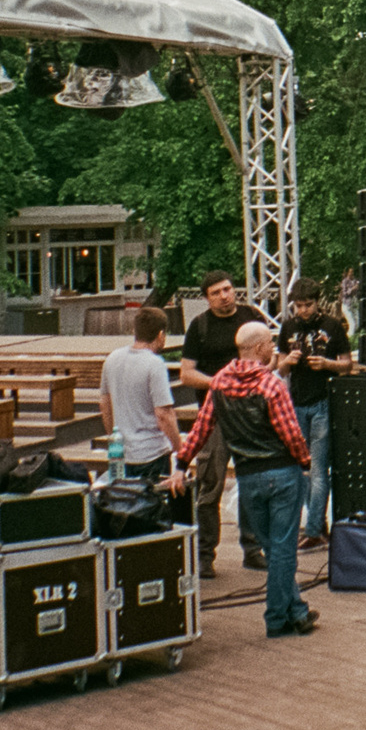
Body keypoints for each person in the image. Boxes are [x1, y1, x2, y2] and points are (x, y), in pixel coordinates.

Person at [177, 321, 317, 638]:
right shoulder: (272, 386)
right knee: (283, 551)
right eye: (270, 342)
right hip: (281, 473)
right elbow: (291, 434)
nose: (273, 347)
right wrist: (305, 462)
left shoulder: (220, 383)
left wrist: (181, 461)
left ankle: (298, 610)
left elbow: (200, 429)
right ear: (257, 349)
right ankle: (276, 618)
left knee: (273, 547)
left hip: (248, 478)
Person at [177, 270, 269, 575]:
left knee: (251, 484)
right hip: (214, 416)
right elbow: (187, 374)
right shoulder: (199, 326)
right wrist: (218, 383)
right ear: (207, 297)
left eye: (228, 289)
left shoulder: (252, 317)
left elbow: (268, 358)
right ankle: (205, 555)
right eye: (216, 292)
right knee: (210, 485)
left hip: (250, 415)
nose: (224, 295)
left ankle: (253, 549)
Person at [275, 276, 354, 551]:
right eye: (299, 305)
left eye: (308, 305)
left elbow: (347, 365)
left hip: (322, 402)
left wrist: (327, 364)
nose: (303, 310)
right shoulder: (288, 326)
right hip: (296, 403)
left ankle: (313, 530)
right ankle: (318, 526)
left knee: (319, 468)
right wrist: (288, 361)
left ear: (317, 302)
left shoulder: (332, 326)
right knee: (302, 468)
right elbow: (279, 369)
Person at [98, 305, 187, 486]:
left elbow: (104, 403)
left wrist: (113, 437)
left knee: (124, 503)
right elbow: (163, 414)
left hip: (121, 452)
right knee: (151, 508)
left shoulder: (112, 358)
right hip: (152, 453)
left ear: (135, 331)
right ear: (161, 335)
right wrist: (180, 449)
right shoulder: (155, 364)